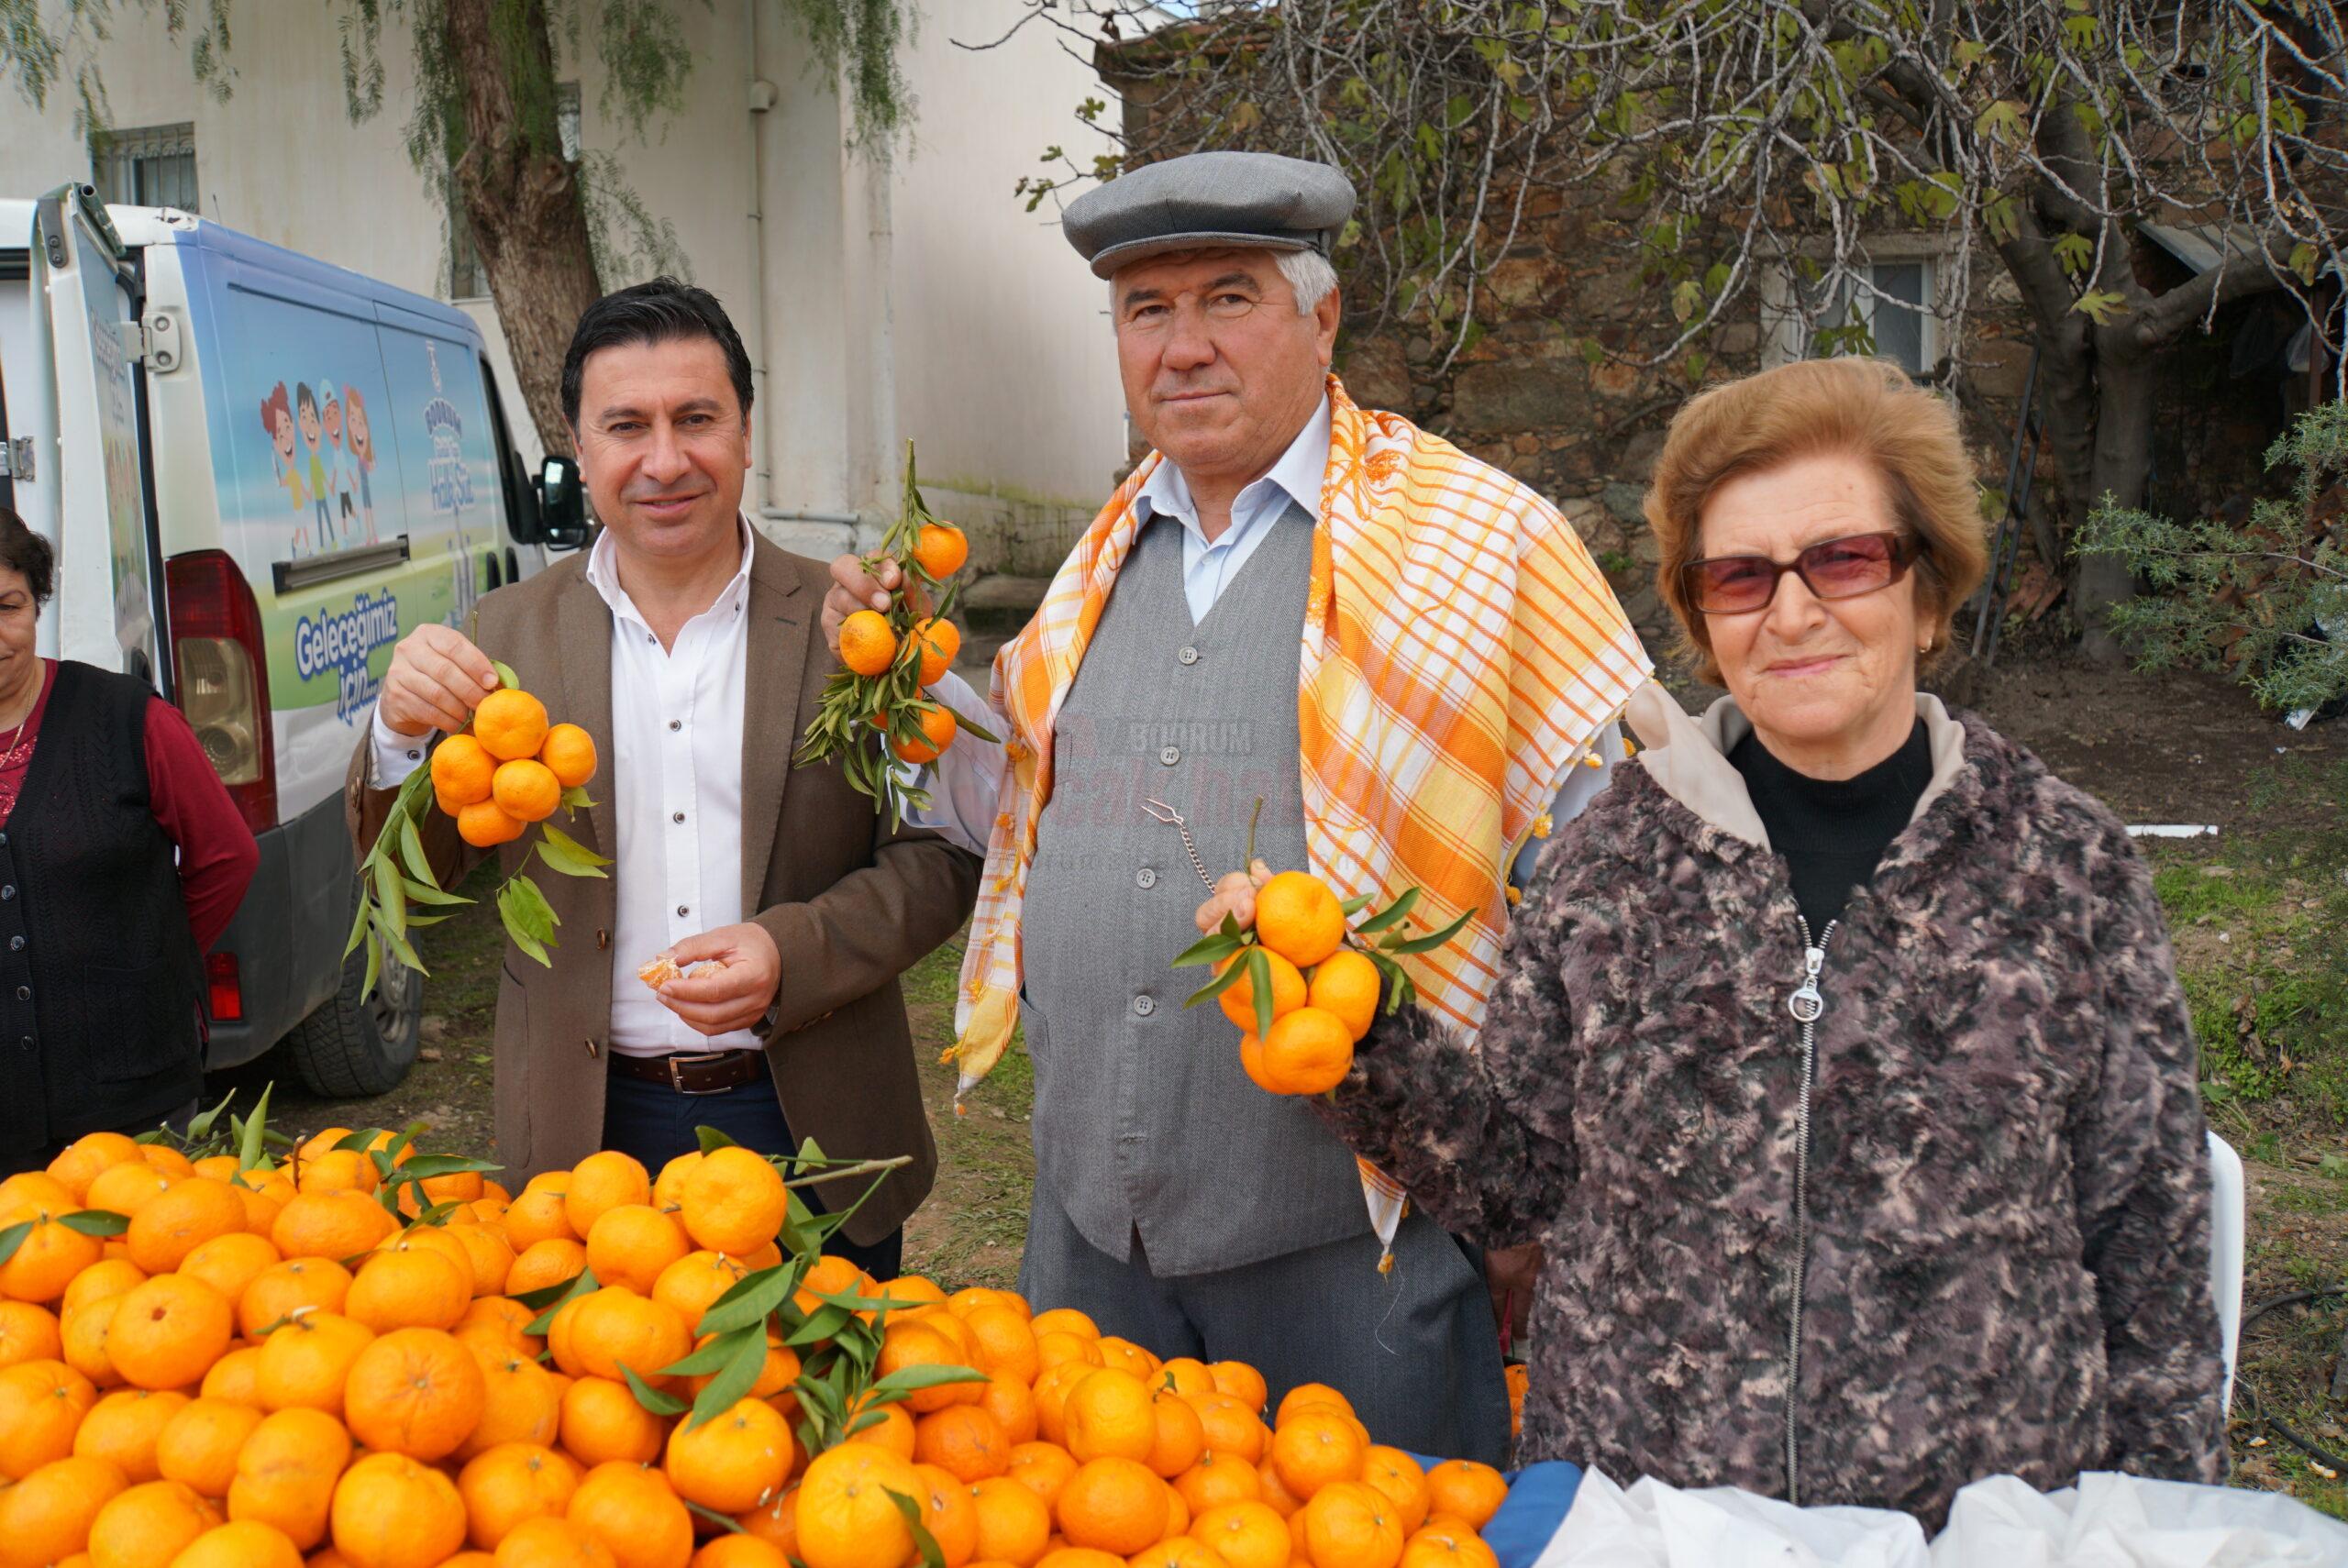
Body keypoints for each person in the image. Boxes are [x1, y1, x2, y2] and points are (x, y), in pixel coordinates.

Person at [824, 151, 1649, 1462]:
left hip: (1359, 1242)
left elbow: (1611, 883)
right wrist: (911, 690)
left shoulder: (1484, 541)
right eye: (1147, 311)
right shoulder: (1096, 563)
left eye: (1228, 297)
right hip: (1096, 1236)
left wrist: (1541, 1197)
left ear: (1323, 319)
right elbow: (1020, 820)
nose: (1184, 346)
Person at [1308, 355, 2225, 1523]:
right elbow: (1516, 1182)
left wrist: (2159, 1530)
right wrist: (1353, 1030)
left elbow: (2149, 1247)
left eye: (1841, 559)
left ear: (1927, 592)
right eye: (1741, 578)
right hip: (1648, 1516)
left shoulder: (2067, 867)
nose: (1792, 612)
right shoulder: (1610, 864)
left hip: (1980, 1526)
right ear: (1701, 617)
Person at [349, 280, 980, 1278]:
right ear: (581, 445)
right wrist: (393, 735)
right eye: (626, 426)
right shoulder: (502, 636)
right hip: (580, 1129)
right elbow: (423, 876)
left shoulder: (855, 628)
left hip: (811, 1119)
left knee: (817, 1428)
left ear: (744, 431)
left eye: (696, 419)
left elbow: (941, 859)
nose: (665, 460)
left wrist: (792, 952)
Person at [0, 508, 260, 1175]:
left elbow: (227, 856)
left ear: (37, 606)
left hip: (130, 1095)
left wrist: (152, 957)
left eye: (10, 606)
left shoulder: (126, 718)